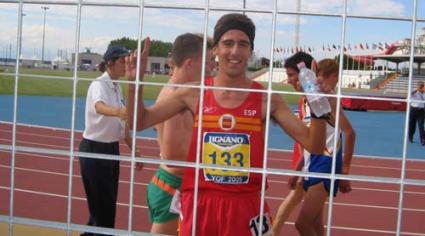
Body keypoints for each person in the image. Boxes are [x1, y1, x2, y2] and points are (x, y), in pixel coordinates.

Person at [126, 13, 330, 236]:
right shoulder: (193, 93)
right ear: (215, 50)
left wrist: (318, 109)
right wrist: (134, 85)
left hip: (247, 206)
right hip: (200, 205)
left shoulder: (266, 98)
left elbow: (315, 146)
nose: (234, 51)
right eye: (227, 43)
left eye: (243, 44)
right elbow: (139, 122)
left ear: (250, 51)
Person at [147, 33, 215, 235]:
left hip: (171, 184)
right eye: (209, 62)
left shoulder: (173, 90)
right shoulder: (177, 97)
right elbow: (172, 156)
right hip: (174, 187)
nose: (212, 67)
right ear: (190, 63)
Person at [79, 45, 142, 236]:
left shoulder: (116, 87)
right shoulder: (99, 84)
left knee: (106, 203)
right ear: (110, 63)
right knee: (102, 207)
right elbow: (99, 107)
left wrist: (133, 149)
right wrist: (120, 111)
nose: (126, 64)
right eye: (122, 61)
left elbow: (121, 126)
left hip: (111, 150)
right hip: (94, 150)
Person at [295, 58, 356, 236]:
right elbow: (311, 140)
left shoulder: (330, 100)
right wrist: (299, 169)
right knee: (315, 224)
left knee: (302, 224)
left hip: (326, 164)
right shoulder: (311, 99)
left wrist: (344, 171)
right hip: (310, 164)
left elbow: (350, 133)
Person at [273, 51, 314, 235]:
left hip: (314, 164)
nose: (288, 80)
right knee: (311, 222)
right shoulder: (304, 100)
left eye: (291, 75)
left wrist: (297, 170)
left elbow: (314, 141)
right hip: (310, 163)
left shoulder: (314, 101)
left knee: (303, 218)